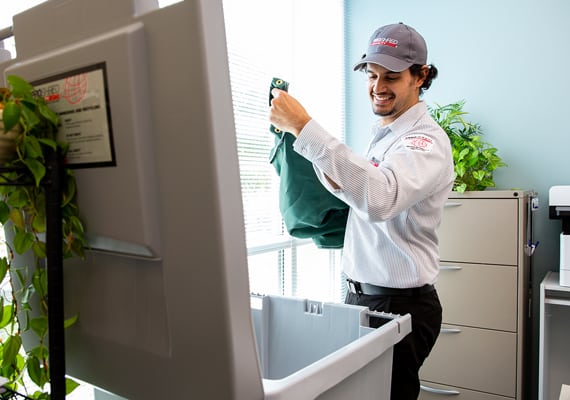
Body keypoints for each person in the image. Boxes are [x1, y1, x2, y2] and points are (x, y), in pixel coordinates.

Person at [269, 22, 454, 400]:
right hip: (366, 299)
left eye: (391, 76)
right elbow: (355, 189)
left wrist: (305, 127)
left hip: (398, 306)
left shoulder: (424, 141)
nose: (378, 86)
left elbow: (380, 198)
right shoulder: (385, 135)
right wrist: (300, 141)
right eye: (371, 75)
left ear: (420, 76)